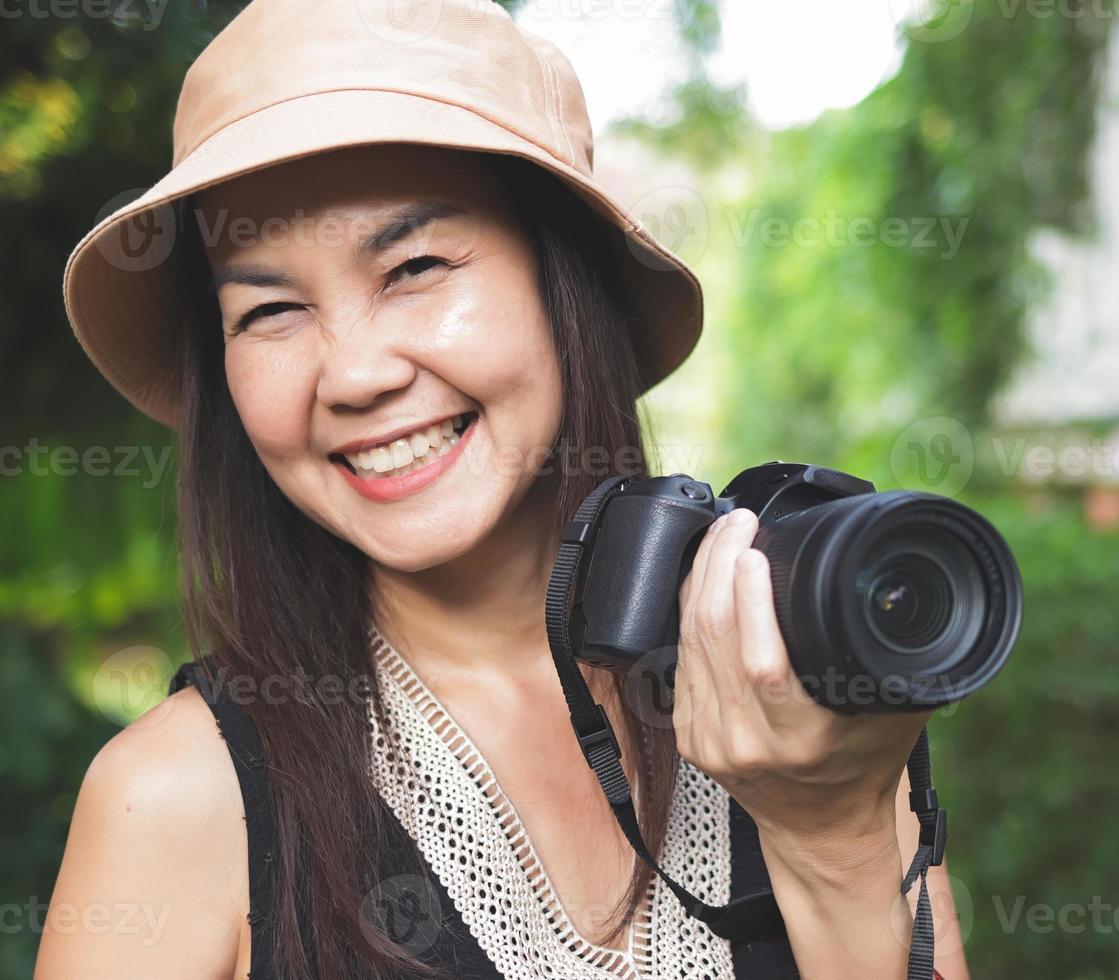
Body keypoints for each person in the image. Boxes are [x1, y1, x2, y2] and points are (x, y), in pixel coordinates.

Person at [40, 2, 967, 978]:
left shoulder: (800, 697)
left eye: (416, 265)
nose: (354, 374)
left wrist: (835, 831)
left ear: (563, 284)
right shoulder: (174, 800)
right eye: (269, 308)